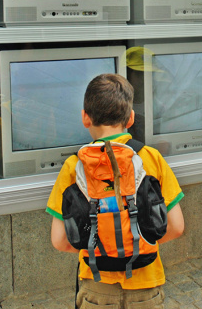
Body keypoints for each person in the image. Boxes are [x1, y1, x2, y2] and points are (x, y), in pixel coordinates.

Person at [46, 73, 185, 309]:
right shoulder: (150, 158)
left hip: (96, 289)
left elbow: (60, 241)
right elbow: (176, 227)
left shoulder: (74, 166)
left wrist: (98, 251)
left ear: (85, 118)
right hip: (146, 285)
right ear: (130, 118)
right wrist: (140, 244)